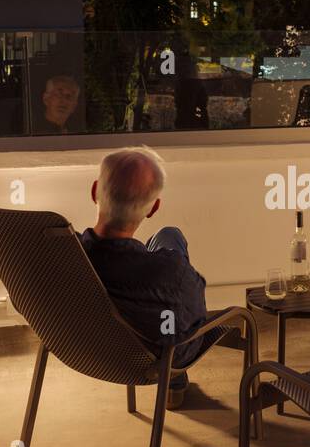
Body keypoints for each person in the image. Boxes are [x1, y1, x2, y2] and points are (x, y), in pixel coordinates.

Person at [79, 146, 216, 409]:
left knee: (168, 236)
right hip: (151, 358)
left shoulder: (65, 254)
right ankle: (174, 381)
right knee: (172, 241)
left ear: (95, 191)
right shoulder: (170, 272)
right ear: (153, 207)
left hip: (85, 349)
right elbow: (195, 318)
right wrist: (169, 264)